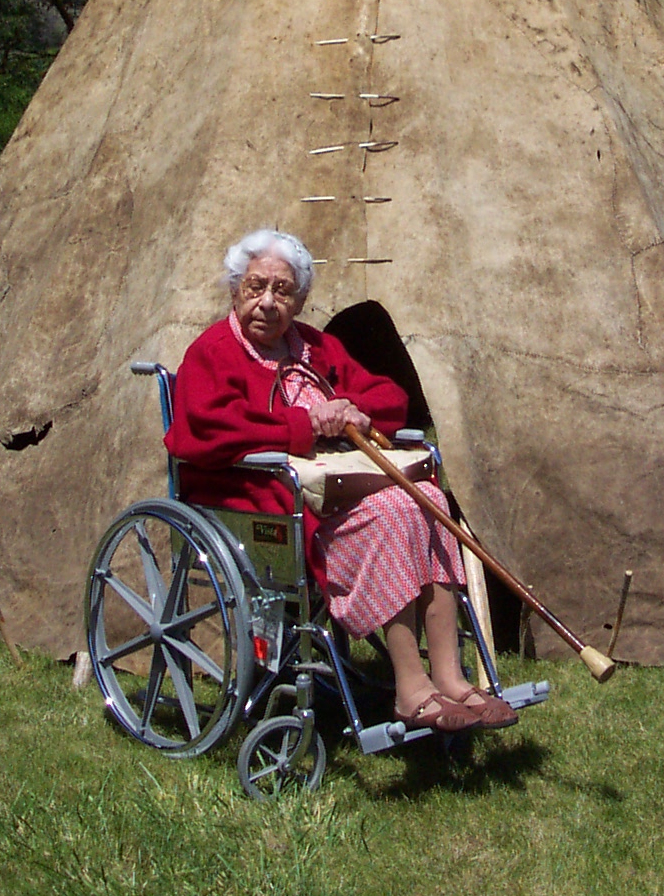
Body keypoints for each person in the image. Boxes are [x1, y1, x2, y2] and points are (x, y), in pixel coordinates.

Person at [166, 228, 514, 732]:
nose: (267, 302)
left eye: (282, 291)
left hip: (335, 486)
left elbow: (390, 398)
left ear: (301, 300)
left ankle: (450, 677)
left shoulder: (314, 347)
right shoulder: (212, 353)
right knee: (390, 513)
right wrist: (301, 426)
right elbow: (206, 429)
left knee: (429, 499)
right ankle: (410, 690)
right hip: (257, 495)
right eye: (256, 287)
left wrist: (355, 409)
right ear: (235, 289)